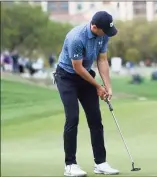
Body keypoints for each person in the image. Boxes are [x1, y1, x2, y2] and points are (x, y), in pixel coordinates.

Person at [53, 11, 119, 176]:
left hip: (85, 76)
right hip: (66, 77)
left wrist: (108, 86)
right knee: (73, 117)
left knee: (95, 118)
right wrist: (97, 86)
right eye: (104, 30)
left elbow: (102, 60)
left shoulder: (104, 35)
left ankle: (101, 163)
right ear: (94, 27)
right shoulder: (76, 38)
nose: (106, 34)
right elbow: (78, 67)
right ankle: (70, 164)